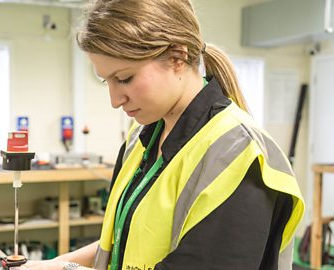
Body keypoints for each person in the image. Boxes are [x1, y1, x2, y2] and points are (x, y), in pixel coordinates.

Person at [23, 0, 305, 269]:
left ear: (177, 57)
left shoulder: (238, 155)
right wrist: (55, 263)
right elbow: (123, 242)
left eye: (124, 78)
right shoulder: (140, 137)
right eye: (106, 81)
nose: (114, 99)